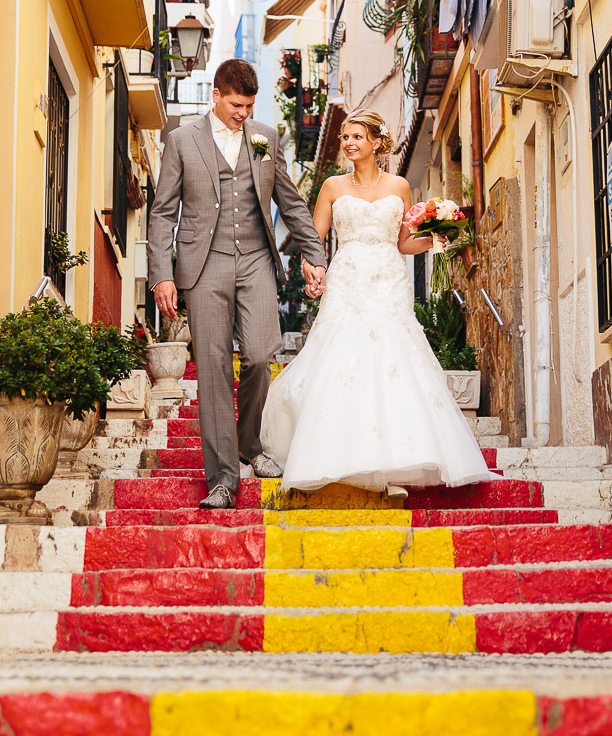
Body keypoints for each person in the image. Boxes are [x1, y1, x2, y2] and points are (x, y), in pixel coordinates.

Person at [260, 109, 495, 494]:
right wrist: (311, 269)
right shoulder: (332, 187)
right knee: (343, 356)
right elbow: (312, 238)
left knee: (393, 359)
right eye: (344, 138)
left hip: (389, 278)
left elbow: (403, 243)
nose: (349, 143)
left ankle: (396, 460)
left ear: (376, 142)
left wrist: (440, 238)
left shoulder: (400, 186)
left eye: (356, 137)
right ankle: (336, 451)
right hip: (348, 277)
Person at [147, 59, 328, 510]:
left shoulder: (266, 138)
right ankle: (223, 478)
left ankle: (250, 444)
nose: (243, 114)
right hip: (202, 266)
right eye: (235, 105)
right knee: (211, 368)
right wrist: (161, 275)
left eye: (249, 106)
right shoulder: (181, 141)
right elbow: (163, 212)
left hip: (255, 260)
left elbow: (290, 201)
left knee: (261, 353)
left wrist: (313, 254)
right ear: (216, 94)